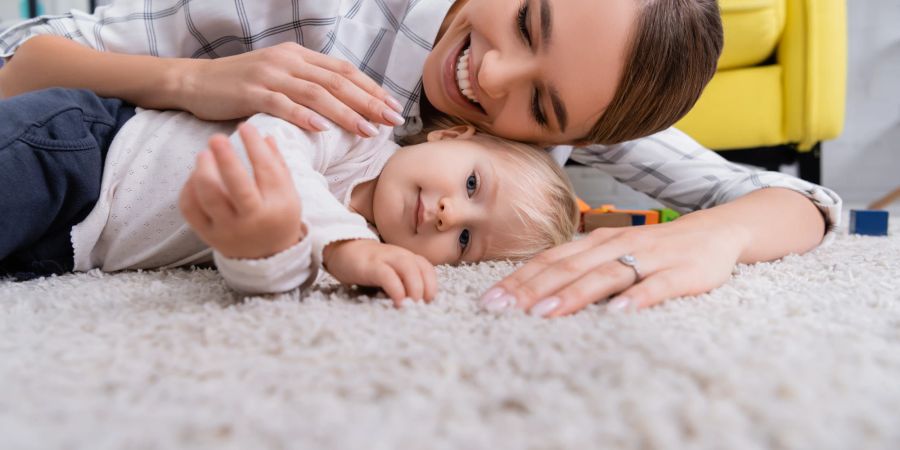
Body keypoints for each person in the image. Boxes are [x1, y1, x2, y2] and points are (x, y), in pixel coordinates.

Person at [0, 0, 841, 317]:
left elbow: (789, 197)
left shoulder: (582, 110)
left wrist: (713, 239)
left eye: (542, 107)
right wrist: (194, 79)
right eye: (529, 20)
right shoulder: (325, 13)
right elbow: (19, 61)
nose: (493, 72)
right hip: (83, 138)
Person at [0, 87, 579, 304]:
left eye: (467, 240)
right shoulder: (359, 128)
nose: (450, 212)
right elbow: (268, 145)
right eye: (473, 184)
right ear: (453, 134)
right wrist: (345, 247)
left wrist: (277, 253)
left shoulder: (358, 257)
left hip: (69, 248)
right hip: (85, 151)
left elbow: (259, 278)